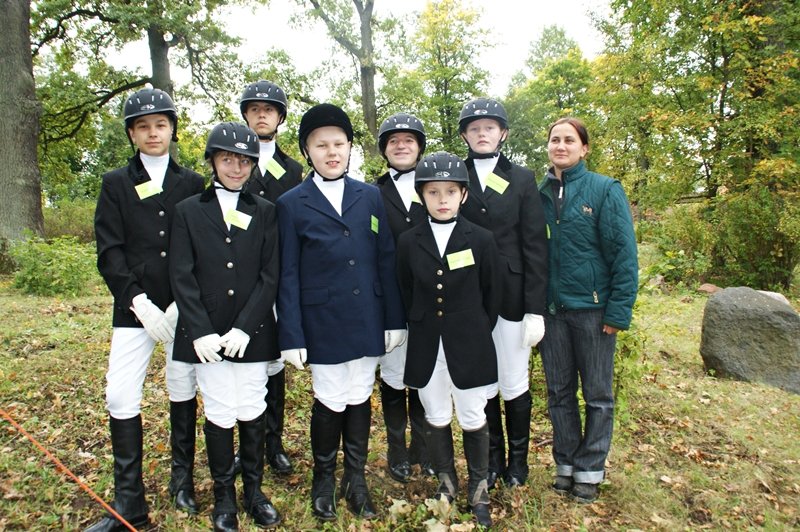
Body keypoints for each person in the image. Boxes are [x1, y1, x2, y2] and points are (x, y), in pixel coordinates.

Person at [275, 103, 406, 521]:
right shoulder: (292, 203)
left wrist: (393, 318)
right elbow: (288, 273)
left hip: (367, 314)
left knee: (359, 396)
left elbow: (385, 259)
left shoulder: (369, 195)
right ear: (308, 150)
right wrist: (291, 334)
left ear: (350, 148)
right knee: (330, 399)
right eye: (321, 145)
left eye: (339, 144)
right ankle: (322, 479)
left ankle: (357, 480)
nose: (332, 152)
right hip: (323, 321)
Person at [90, 87, 205, 531]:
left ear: (172, 129)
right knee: (120, 394)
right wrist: (137, 300)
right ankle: (129, 501)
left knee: (182, 389)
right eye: (143, 126)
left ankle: (182, 482)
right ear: (132, 134)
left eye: (160, 124)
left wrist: (179, 303)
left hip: (182, 307)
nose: (153, 133)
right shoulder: (115, 183)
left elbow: (200, 246)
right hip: (134, 307)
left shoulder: (193, 183)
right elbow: (109, 250)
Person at [169, 122, 282, 530]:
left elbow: (271, 274)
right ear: (213, 161)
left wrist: (247, 327)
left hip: (250, 328)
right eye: (227, 159)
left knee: (252, 405)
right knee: (219, 408)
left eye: (244, 160)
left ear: (253, 164)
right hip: (206, 330)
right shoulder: (188, 211)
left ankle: (253, 490)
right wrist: (199, 329)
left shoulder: (266, 211)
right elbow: (181, 274)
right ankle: (224, 497)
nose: (236, 167)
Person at [396, 151, 501, 528]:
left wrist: (470, 327)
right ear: (421, 195)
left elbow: (492, 295)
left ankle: (479, 487)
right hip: (427, 344)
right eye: (434, 192)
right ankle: (446, 482)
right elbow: (406, 290)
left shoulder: (483, 240)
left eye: (450, 192)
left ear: (464, 196)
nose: (442, 200)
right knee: (436, 415)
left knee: (473, 414)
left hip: (469, 344)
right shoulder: (409, 241)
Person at [538, 117, 638, 503]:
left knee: (597, 395)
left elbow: (624, 255)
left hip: (594, 313)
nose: (560, 146)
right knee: (559, 393)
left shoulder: (603, 190)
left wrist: (618, 311)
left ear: (584, 148)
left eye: (568, 140)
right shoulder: (540, 192)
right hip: (552, 313)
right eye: (554, 140)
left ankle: (590, 471)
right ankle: (565, 465)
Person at [458, 97, 548, 489]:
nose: (482, 134)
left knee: (514, 380)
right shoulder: (453, 174)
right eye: (474, 129)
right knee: (485, 380)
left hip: (512, 296)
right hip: (470, 297)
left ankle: (519, 463)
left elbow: (535, 246)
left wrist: (535, 308)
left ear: (502, 134)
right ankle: (492, 460)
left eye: (489, 128)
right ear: (465, 134)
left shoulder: (523, 178)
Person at [238, 79, 303, 476]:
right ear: (245, 114)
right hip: (240, 274)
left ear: (279, 117)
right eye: (255, 108)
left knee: (275, 361)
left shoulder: (293, 169)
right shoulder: (231, 159)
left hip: (278, 274)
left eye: (269, 109)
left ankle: (273, 441)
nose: (262, 114)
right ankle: (246, 439)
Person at [374, 112, 433, 482]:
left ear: (419, 147)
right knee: (394, 378)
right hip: (391, 300)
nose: (401, 145)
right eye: (393, 141)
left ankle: (424, 449)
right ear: (384, 149)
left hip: (431, 300)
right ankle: (396, 449)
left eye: (408, 140)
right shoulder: (370, 192)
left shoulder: (437, 185)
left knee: (425, 378)